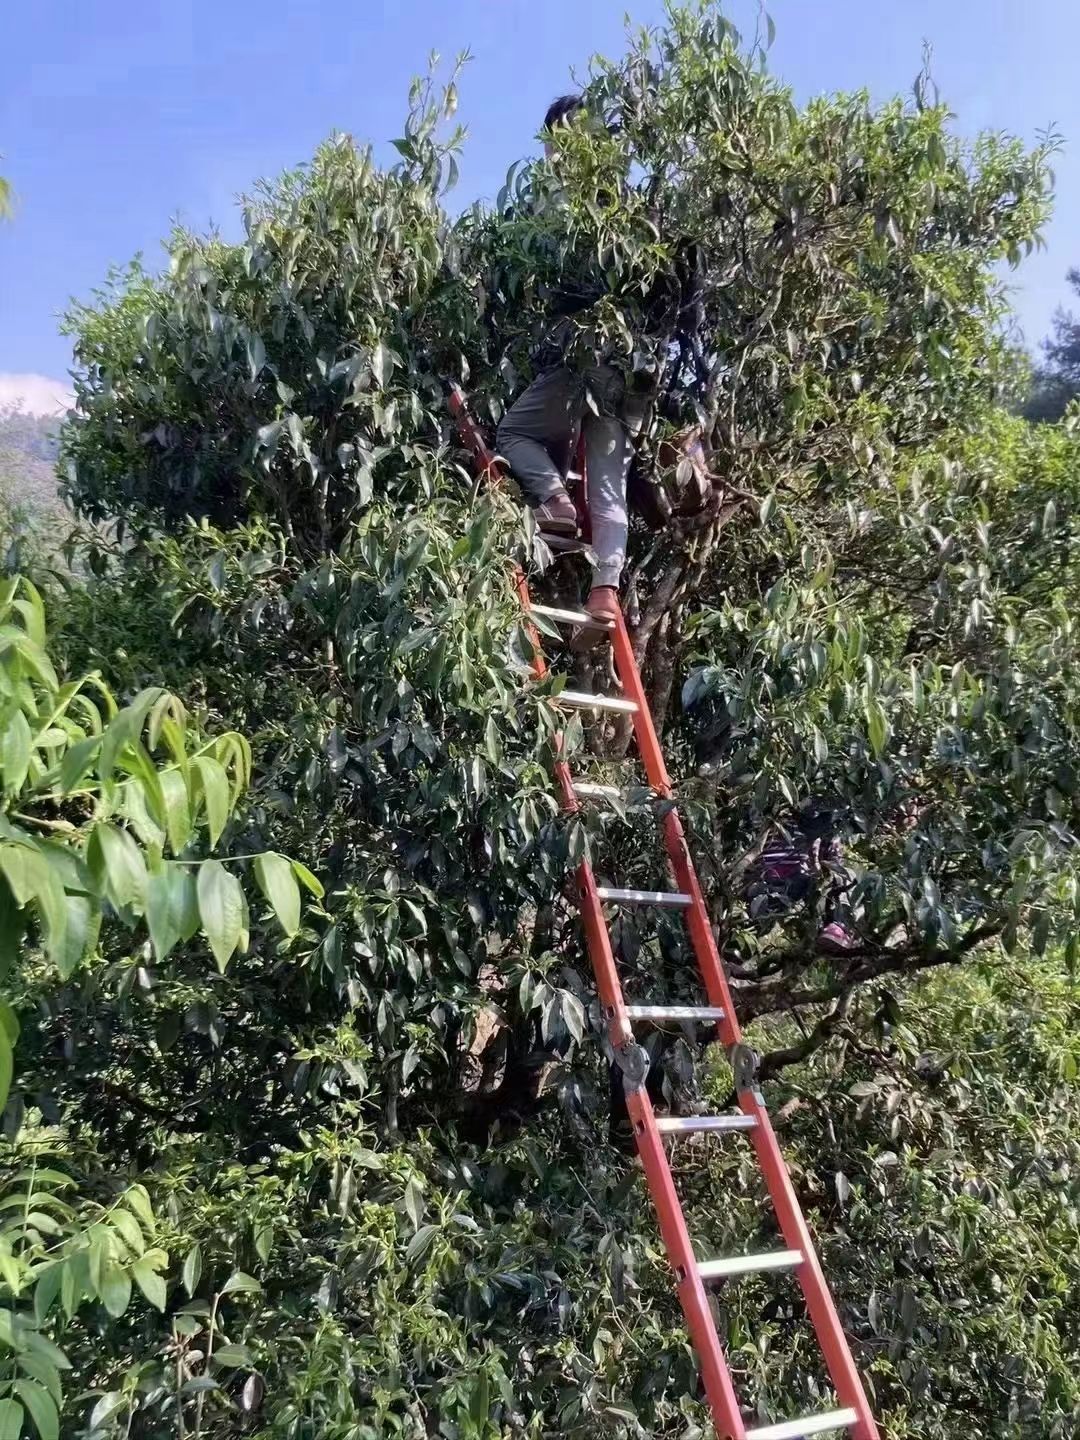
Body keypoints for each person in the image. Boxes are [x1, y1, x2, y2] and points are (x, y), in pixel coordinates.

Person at [495, 95, 636, 630]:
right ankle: (605, 593)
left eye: (557, 139)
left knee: (513, 433)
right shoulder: (624, 200)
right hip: (630, 372)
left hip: (583, 358)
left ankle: (553, 499)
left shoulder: (565, 196)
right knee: (608, 486)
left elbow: (542, 259)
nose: (553, 151)